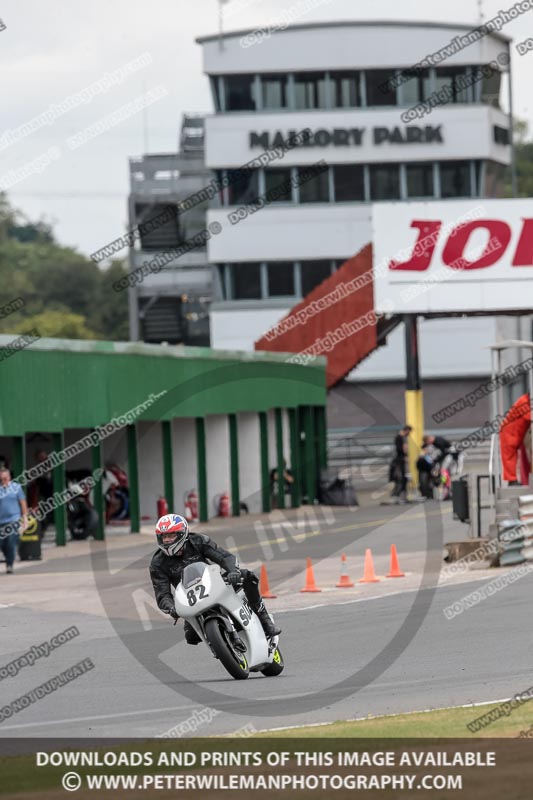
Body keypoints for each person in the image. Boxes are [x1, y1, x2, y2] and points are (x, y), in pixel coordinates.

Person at [149, 513, 281, 644]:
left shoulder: (198, 540)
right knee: (191, 637)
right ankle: (219, 644)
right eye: (164, 536)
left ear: (182, 534)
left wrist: (233, 571)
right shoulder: (157, 563)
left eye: (171, 535)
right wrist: (172, 608)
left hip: (214, 582)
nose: (167, 540)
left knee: (248, 577)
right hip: (190, 599)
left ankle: (264, 619)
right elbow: (162, 594)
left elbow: (224, 557)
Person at [0, 468, 28, 574]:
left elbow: (23, 503)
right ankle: (9, 557)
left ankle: (9, 565)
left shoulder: (16, 487)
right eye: (2, 479)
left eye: (5, 478)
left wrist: (25, 518)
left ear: (9, 477)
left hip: (14, 520)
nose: (4, 481)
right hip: (1, 521)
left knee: (11, 543)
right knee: (2, 544)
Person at [500, 393, 532, 486]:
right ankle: (512, 480)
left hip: (516, 432)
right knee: (509, 457)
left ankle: (515, 479)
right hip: (509, 432)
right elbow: (529, 416)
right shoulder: (524, 401)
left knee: (512, 457)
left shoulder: (525, 400)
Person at [389, 425, 412, 503]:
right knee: (400, 478)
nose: (409, 434)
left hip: (401, 460)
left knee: (404, 478)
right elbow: (400, 450)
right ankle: (397, 495)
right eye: (409, 432)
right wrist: (404, 453)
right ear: (406, 430)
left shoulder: (402, 438)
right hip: (399, 461)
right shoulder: (399, 438)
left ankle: (402, 495)